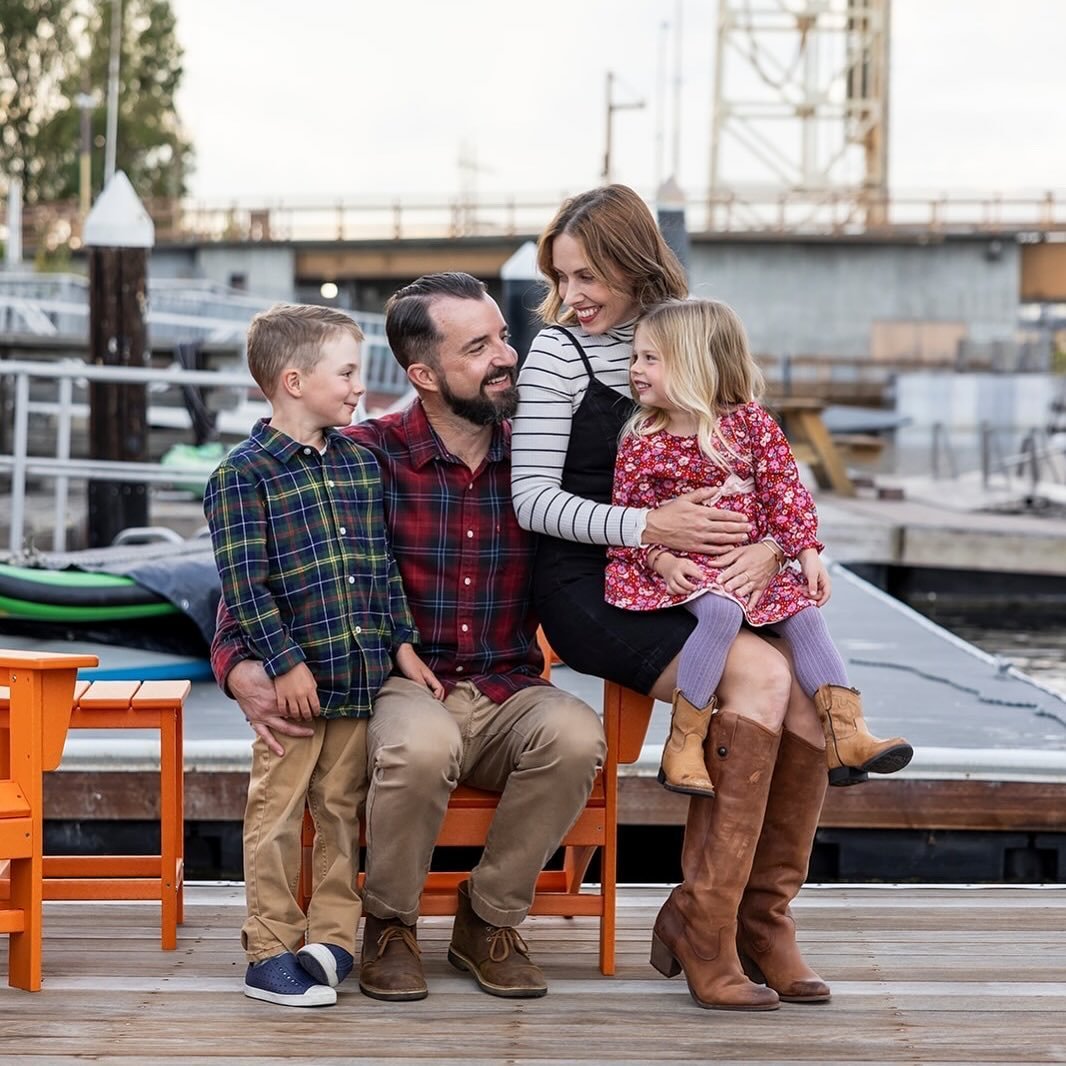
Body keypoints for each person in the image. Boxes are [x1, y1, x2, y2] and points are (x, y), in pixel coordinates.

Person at [212, 273, 606, 1004]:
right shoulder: (362, 457)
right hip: (403, 683)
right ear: (423, 375)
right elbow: (263, 568)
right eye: (479, 346)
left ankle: (487, 919)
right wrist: (239, 666)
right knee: (420, 746)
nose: (506, 356)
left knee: (578, 736)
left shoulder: (538, 466)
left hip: (510, 684)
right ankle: (388, 923)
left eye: (504, 337)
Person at [512, 184, 832, 1010]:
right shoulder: (558, 354)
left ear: (634, 263)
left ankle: (756, 919)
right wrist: (649, 526)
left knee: (803, 696)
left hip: (704, 574)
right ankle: (711, 929)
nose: (573, 296)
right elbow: (534, 501)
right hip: (594, 578)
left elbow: (757, 465)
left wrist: (773, 545)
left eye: (590, 276)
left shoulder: (684, 334)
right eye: (563, 276)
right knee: (760, 677)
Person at [203, 303, 438, 1008]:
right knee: (275, 814)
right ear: (294, 380)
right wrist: (282, 663)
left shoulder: (360, 465)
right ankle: (268, 947)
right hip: (292, 690)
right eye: (347, 373)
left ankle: (332, 938)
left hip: (358, 679)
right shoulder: (241, 478)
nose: (359, 387)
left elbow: (382, 566)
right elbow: (244, 588)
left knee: (340, 811)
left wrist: (399, 644)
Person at [606, 297, 913, 796]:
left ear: (694, 365)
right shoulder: (643, 438)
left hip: (753, 564)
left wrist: (806, 551)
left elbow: (786, 492)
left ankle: (846, 735)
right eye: (636, 357)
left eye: (650, 358)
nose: (636, 369)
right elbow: (632, 517)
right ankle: (684, 744)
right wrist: (662, 561)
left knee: (807, 615)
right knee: (722, 613)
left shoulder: (750, 424)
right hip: (685, 568)